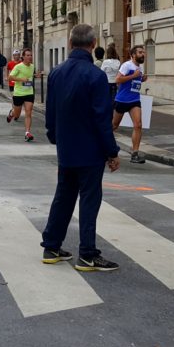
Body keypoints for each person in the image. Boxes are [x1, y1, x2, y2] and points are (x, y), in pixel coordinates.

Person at [40, 24, 121, 272]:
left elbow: (50, 113)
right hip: (90, 150)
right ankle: (87, 254)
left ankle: (51, 246)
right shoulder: (95, 76)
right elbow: (101, 119)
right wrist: (112, 152)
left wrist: (55, 138)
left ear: (70, 41)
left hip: (66, 148)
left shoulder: (56, 72)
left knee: (63, 197)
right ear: (93, 44)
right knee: (89, 199)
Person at [112, 44, 147, 164]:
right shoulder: (127, 65)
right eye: (140, 52)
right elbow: (117, 80)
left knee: (138, 125)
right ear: (133, 55)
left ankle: (135, 153)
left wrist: (141, 79)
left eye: (143, 52)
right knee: (113, 126)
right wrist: (133, 76)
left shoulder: (140, 68)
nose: (143, 54)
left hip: (134, 100)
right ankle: (100, 143)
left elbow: (135, 81)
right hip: (122, 100)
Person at [7, 48, 40, 141]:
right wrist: (21, 79)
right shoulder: (18, 66)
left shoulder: (32, 66)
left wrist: (35, 76)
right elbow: (10, 77)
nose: (30, 57)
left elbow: (29, 76)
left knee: (28, 112)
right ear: (23, 57)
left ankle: (27, 133)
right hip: (18, 93)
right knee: (17, 114)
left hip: (29, 92)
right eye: (28, 55)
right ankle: (11, 113)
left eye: (31, 55)